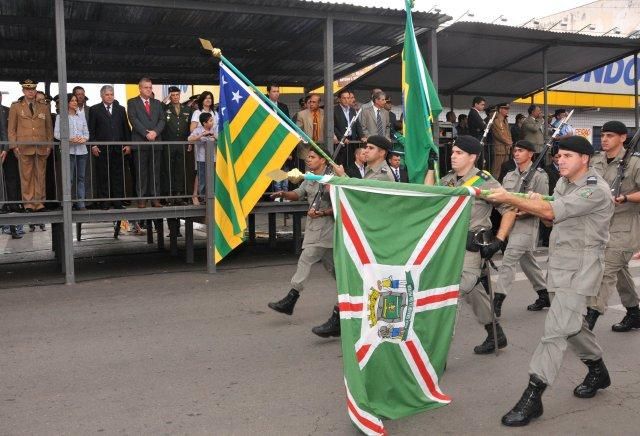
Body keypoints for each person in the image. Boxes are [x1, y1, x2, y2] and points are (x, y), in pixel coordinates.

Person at [489, 136, 614, 427]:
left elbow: (552, 211)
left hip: (582, 269)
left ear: (585, 159)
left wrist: (510, 197)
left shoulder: (595, 189)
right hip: (559, 265)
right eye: (559, 156)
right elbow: (550, 220)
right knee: (572, 326)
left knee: (556, 331)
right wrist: (533, 204)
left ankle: (533, 396)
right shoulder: (563, 184)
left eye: (568, 156)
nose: (560, 160)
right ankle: (597, 369)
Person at [438, 135, 516, 354]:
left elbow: (509, 209)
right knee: (474, 291)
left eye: (459, 153)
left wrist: (499, 240)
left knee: (452, 293)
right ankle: (495, 334)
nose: (452, 156)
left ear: (472, 157)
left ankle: (438, 351)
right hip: (448, 248)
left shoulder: (485, 181)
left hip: (470, 248)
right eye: (452, 152)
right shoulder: (447, 181)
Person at [267, 147, 335, 332]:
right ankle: (351, 296)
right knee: (336, 271)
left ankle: (291, 297)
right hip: (314, 229)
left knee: (306, 257)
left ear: (323, 160)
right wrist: (284, 194)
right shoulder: (310, 177)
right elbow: (298, 192)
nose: (308, 160)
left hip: (328, 228)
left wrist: (323, 212)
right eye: (308, 157)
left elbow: (341, 205)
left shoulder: (333, 178)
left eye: (313, 157)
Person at [585, 121, 640, 332]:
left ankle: (588, 321)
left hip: (624, 226)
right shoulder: (596, 160)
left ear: (623, 138)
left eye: (610, 135)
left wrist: (625, 197)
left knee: (606, 271)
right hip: (600, 225)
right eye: (603, 135)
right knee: (619, 271)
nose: (604, 139)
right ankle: (634, 312)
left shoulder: (634, 163)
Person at [493, 140, 549, 317]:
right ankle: (544, 294)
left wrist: (522, 212)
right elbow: (502, 200)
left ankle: (497, 300)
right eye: (515, 150)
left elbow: (543, 204)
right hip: (509, 225)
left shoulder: (540, 176)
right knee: (527, 262)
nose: (516, 153)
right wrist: (507, 212)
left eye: (521, 150)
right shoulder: (509, 175)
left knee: (509, 258)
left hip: (526, 225)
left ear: (531, 154)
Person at [7, 79, 53, 212]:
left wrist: (49, 145)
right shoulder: (16, 106)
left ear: (36, 90)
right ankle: (28, 204)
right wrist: (13, 146)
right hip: (23, 147)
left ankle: (39, 203)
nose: (30, 92)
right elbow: (11, 129)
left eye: (32, 89)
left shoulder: (43, 106)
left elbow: (49, 128)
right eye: (28, 89)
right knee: (26, 177)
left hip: (41, 147)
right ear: (23, 91)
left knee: (40, 176)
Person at [88, 85, 131, 210]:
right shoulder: (95, 109)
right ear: (102, 95)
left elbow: (126, 128)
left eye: (111, 94)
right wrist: (93, 145)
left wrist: (128, 144)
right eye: (107, 94)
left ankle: (117, 202)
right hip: (102, 148)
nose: (110, 96)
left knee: (118, 175)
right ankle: (105, 202)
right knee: (103, 175)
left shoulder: (121, 109)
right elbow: (91, 129)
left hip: (118, 148)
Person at [127, 77, 166, 208]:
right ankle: (142, 199)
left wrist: (155, 132)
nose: (149, 90)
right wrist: (146, 133)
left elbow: (162, 120)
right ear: (140, 88)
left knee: (155, 171)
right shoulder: (132, 102)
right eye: (146, 87)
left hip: (155, 141)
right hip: (140, 142)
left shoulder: (157, 103)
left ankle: (155, 198)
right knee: (141, 171)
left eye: (150, 87)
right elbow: (133, 119)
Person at [54, 93, 90, 210]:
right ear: (67, 103)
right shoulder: (60, 117)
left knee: (81, 178)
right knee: (68, 178)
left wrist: (83, 139)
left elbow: (86, 133)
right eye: (72, 101)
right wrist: (69, 139)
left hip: (82, 151)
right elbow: (57, 134)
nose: (75, 102)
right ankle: (67, 204)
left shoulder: (81, 115)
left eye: (75, 100)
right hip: (68, 151)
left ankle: (81, 203)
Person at [162, 86, 192, 205]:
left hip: (182, 143)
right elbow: (158, 108)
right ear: (170, 96)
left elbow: (190, 126)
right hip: (169, 143)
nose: (175, 97)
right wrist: (166, 99)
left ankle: (178, 195)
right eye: (172, 95)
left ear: (180, 95)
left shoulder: (187, 109)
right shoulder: (165, 108)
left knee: (180, 169)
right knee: (168, 169)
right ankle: (169, 195)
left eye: (177, 95)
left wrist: (189, 142)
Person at [187, 112, 217, 202]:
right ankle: (200, 196)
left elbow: (222, 138)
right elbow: (189, 139)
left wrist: (214, 135)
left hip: (213, 158)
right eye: (210, 121)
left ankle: (211, 196)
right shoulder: (198, 130)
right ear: (204, 123)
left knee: (213, 177)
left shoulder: (215, 129)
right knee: (201, 177)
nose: (212, 122)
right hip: (201, 158)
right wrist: (201, 135)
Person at [333, 89, 364, 166]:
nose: (347, 100)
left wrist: (362, 136)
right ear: (339, 99)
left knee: (351, 163)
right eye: (344, 98)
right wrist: (341, 137)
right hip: (340, 142)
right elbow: (333, 126)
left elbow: (357, 124)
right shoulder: (334, 110)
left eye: (348, 98)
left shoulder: (353, 110)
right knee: (341, 163)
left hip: (351, 141)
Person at [490, 102, 513, 177]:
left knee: (504, 169)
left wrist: (510, 142)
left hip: (505, 149)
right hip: (499, 149)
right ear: (500, 110)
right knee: (496, 170)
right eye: (505, 109)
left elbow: (508, 133)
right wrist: (509, 142)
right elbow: (499, 134)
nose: (507, 111)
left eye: (508, 109)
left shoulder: (504, 120)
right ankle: (492, 185)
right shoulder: (497, 120)